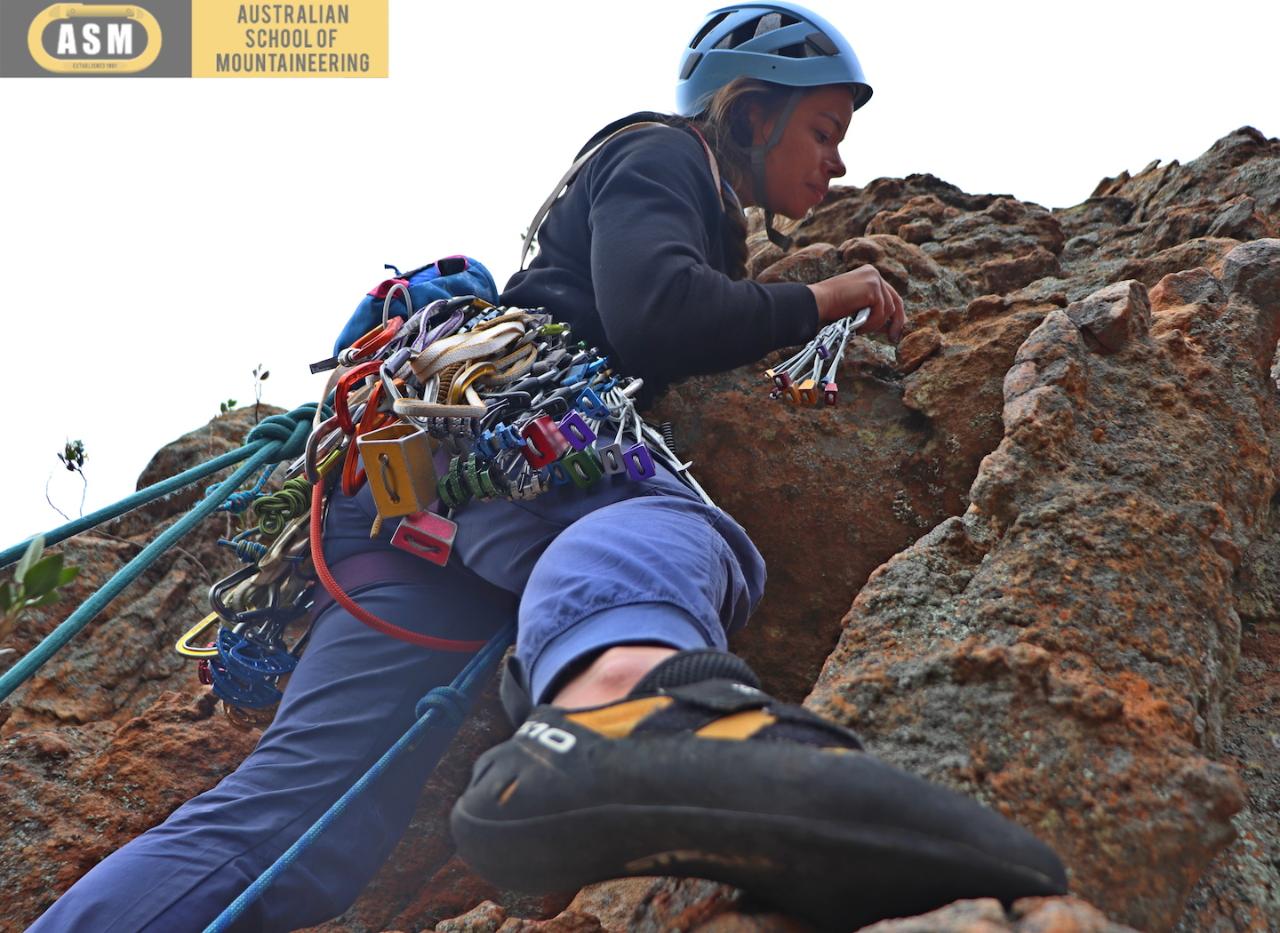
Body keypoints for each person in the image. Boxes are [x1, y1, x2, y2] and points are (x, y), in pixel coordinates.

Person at [29, 4, 1066, 932]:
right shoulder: (663, 155)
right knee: (665, 531)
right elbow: (656, 310)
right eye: (823, 131)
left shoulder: (664, 184)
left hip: (409, 498)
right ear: (747, 114)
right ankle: (624, 704)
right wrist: (822, 296)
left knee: (301, 831)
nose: (835, 164)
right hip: (505, 437)